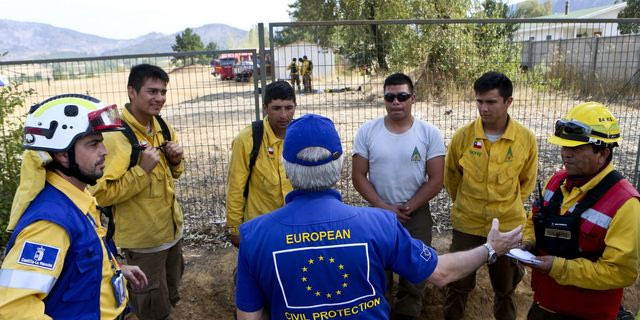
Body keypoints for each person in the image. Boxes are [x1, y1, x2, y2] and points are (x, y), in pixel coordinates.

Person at [235, 113, 524, 320]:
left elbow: (248, 314)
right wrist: (490, 249)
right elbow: (441, 273)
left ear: (285, 166)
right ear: (339, 164)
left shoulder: (254, 235)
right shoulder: (379, 224)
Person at [0, 94, 148, 319]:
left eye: (101, 141)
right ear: (62, 154)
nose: (104, 151)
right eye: (93, 144)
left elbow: (76, 260)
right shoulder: (50, 224)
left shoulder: (77, 198)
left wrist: (112, 271)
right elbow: (13, 309)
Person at [522, 102, 639, 320]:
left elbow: (621, 272)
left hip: (590, 314)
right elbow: (534, 219)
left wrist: (558, 267)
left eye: (576, 148)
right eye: (563, 146)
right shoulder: (556, 182)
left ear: (603, 153)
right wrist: (528, 242)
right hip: (543, 307)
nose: (566, 154)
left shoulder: (626, 203)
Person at [91, 64, 184, 320]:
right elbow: (100, 194)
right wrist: (141, 171)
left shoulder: (162, 126)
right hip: (143, 242)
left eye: (163, 92)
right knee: (150, 304)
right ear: (132, 91)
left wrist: (176, 161)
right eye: (152, 91)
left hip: (171, 232)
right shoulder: (114, 138)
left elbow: (174, 174)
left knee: (170, 291)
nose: (160, 98)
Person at [443, 71, 538, 320]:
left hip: (507, 227)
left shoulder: (525, 139)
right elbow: (452, 178)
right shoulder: (463, 137)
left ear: (508, 102)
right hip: (467, 225)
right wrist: (466, 206)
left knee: (505, 289)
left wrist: (508, 206)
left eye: (491, 102)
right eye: (479, 101)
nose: (483, 108)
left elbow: (526, 182)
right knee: (458, 285)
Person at [352, 72, 445, 319]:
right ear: (383, 99)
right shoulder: (367, 132)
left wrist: (408, 207)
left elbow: (437, 179)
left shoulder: (429, 134)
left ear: (413, 98)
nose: (396, 102)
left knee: (415, 279)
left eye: (402, 96)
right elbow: (358, 176)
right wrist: (383, 207)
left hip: (415, 216)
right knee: (377, 277)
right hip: (376, 217)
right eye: (390, 97)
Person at [226, 80, 296, 247]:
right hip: (260, 229)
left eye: (288, 108)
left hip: (295, 227)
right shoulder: (247, 139)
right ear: (265, 108)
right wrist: (235, 229)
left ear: (295, 106)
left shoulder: (302, 136)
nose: (284, 115)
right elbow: (236, 187)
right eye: (276, 108)